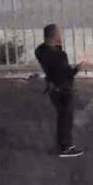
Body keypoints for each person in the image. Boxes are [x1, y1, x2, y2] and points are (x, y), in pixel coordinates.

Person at [35, 24, 86, 158]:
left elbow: (54, 65)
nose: (61, 36)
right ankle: (65, 147)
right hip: (63, 89)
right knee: (66, 118)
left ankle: (63, 144)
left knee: (62, 117)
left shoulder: (40, 51)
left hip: (52, 88)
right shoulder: (59, 55)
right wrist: (78, 68)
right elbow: (67, 73)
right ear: (55, 36)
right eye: (59, 34)